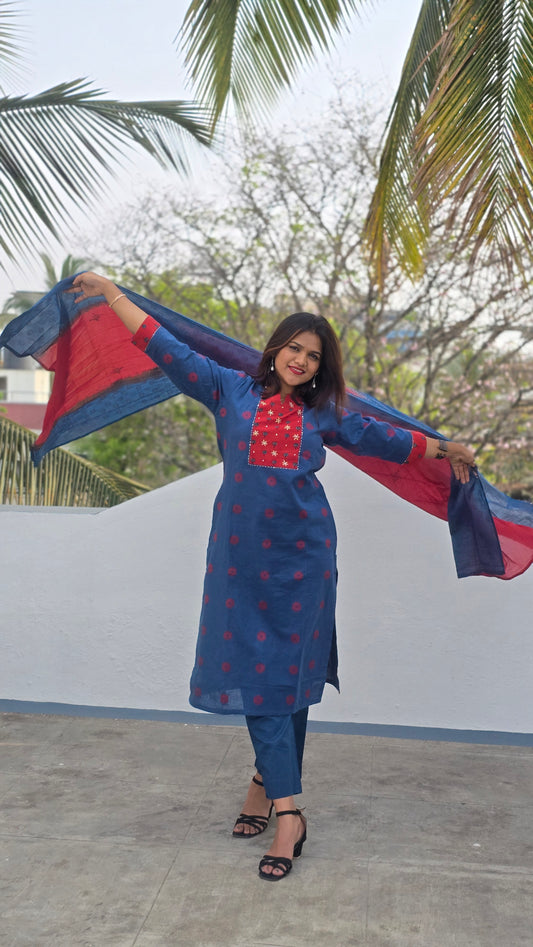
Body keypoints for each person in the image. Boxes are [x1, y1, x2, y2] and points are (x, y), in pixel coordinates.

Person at [70, 272, 476, 881]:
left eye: (313, 357)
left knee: (290, 675)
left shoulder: (325, 414)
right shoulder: (226, 388)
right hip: (238, 560)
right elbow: (164, 346)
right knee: (256, 676)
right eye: (294, 347)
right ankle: (282, 800)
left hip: (304, 558)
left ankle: (278, 802)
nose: (301, 360)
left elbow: (386, 440)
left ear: (318, 369)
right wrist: (113, 295)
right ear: (275, 348)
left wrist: (444, 450)